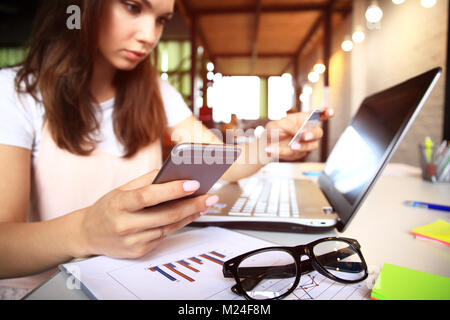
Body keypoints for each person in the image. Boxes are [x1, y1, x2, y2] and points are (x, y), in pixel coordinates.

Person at [0, 0, 334, 299]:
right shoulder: (14, 94)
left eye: (161, 19)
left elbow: (223, 163)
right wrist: (84, 232)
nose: (148, 34)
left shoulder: (155, 90)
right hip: (47, 287)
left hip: (137, 275)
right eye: (133, 7)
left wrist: (266, 143)